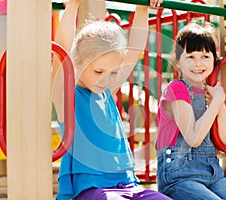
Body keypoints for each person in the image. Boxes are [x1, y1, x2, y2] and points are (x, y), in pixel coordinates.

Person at [52, 0, 171, 199]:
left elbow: (134, 51)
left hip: (127, 184)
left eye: (113, 72)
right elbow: (62, 50)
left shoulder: (106, 90)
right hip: (90, 188)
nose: (105, 79)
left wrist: (142, 8)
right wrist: (72, 5)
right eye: (98, 70)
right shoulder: (67, 95)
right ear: (79, 62)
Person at [155, 23, 226, 200]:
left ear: (214, 60)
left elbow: (221, 143)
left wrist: (220, 108)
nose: (197, 63)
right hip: (180, 177)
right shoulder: (177, 88)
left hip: (212, 174)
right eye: (190, 56)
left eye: (205, 56)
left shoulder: (210, 93)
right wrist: (217, 102)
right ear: (177, 61)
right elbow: (193, 138)